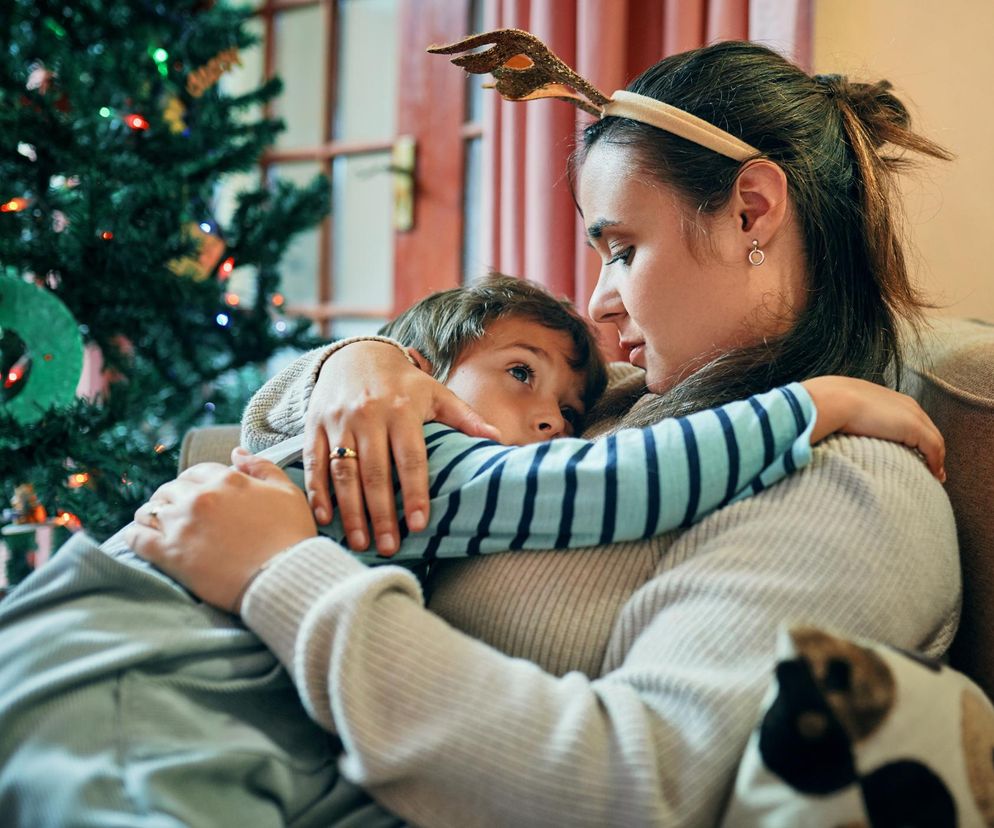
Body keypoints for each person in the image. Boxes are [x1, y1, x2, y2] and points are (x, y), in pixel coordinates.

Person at [9, 34, 961, 828]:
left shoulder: (851, 488)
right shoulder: (629, 398)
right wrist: (364, 368)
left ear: (751, 209)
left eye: (624, 249)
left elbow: (635, 786)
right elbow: (258, 432)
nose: (596, 302)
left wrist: (279, 578)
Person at [269, 273, 942, 569]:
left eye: (567, 412)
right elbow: (616, 481)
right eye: (521, 373)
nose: (551, 424)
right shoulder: (418, 455)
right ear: (417, 377)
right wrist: (823, 403)